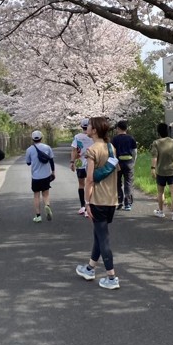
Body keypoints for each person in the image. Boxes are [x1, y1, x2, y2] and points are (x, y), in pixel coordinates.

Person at [75, 116, 120, 289]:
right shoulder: (111, 147)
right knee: (98, 235)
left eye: (89, 126)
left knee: (104, 239)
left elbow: (90, 179)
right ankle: (89, 268)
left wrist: (86, 202)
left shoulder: (92, 150)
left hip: (98, 200)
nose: (87, 127)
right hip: (111, 200)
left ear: (94, 130)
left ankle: (111, 278)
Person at [150, 122, 173, 221]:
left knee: (160, 192)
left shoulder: (156, 143)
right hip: (172, 170)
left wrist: (153, 168)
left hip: (160, 171)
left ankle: (161, 211)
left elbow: (154, 157)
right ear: (168, 131)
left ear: (158, 132)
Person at [25, 130, 55, 223]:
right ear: (41, 138)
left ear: (32, 139)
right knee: (46, 194)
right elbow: (51, 161)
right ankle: (47, 205)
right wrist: (53, 172)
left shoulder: (29, 149)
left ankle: (38, 216)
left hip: (35, 177)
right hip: (46, 176)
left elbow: (28, 163)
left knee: (36, 196)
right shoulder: (47, 147)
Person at [111, 120, 137, 211]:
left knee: (118, 183)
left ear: (118, 128)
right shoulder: (131, 138)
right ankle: (128, 203)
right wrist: (133, 161)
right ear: (126, 128)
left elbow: (112, 152)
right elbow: (134, 152)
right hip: (129, 162)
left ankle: (119, 201)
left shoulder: (114, 139)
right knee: (128, 183)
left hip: (118, 163)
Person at [70, 118, 94, 215]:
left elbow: (74, 150)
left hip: (80, 162)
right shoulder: (93, 136)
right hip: (91, 163)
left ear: (81, 126)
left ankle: (83, 206)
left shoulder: (77, 137)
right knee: (91, 185)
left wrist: (72, 162)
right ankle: (90, 207)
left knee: (81, 185)